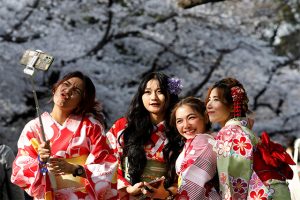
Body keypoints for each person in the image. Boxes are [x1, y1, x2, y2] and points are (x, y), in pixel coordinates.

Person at [11, 71, 118, 199]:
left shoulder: (91, 127)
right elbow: (20, 169)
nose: (68, 90)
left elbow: (108, 168)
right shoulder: (33, 128)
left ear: (82, 101)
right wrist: (40, 161)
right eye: (66, 84)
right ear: (55, 88)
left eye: (76, 91)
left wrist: (74, 169)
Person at [205, 77, 293, 199]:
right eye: (209, 99)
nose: (208, 104)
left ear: (232, 106)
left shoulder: (230, 132)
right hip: (274, 191)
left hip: (264, 193)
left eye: (215, 99)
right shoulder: (244, 130)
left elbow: (233, 179)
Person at [106, 72, 182, 199]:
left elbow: (187, 173)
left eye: (160, 91)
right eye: (147, 92)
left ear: (170, 96)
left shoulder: (180, 130)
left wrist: (167, 192)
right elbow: (106, 160)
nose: (153, 97)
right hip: (127, 194)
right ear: (140, 96)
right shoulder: (123, 127)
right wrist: (127, 187)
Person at [170, 97, 220, 199]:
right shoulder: (192, 142)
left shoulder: (204, 141)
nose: (186, 125)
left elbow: (191, 184)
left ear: (206, 117)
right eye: (179, 121)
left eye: (191, 118)